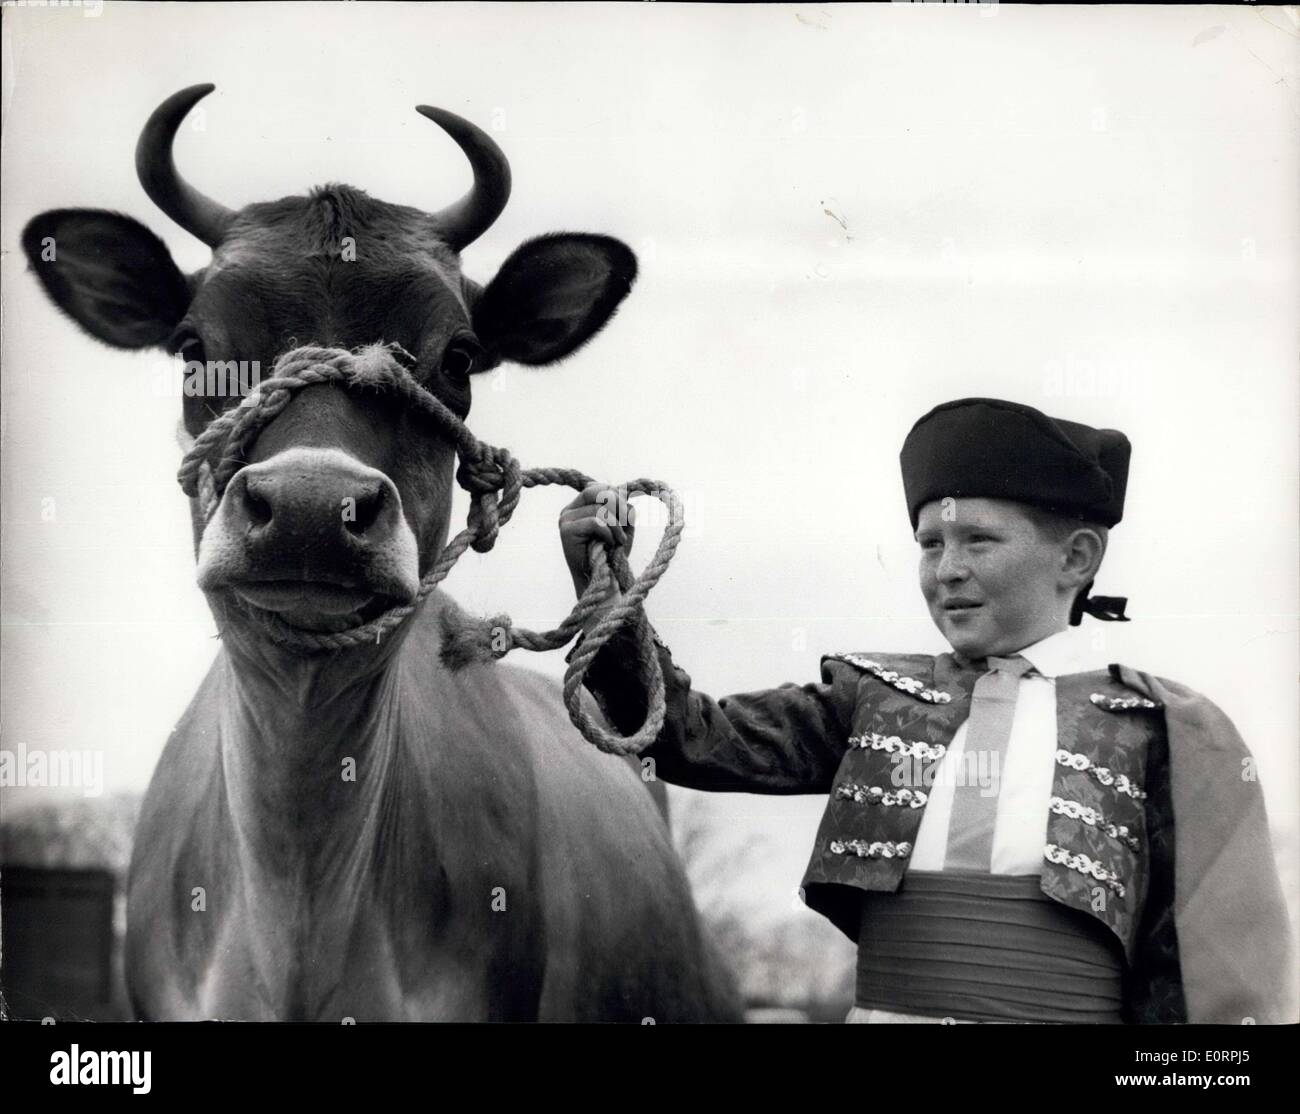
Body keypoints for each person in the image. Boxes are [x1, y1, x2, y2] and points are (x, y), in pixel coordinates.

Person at [558, 396, 1295, 1024]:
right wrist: (604, 581)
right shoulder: (872, 699)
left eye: (978, 539)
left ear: (1075, 558)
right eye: (929, 543)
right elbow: (690, 738)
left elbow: (1218, 990)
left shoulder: (1168, 730)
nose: (947, 570)